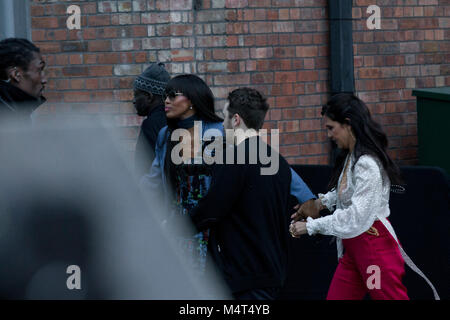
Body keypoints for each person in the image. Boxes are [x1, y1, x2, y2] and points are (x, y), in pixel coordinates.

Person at [290, 93, 440, 300]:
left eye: (331, 128)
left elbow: (355, 217)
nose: (329, 135)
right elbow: (348, 192)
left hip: (372, 251)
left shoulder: (366, 163)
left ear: (348, 124)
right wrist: (319, 204)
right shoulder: (355, 156)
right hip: (357, 251)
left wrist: (311, 226)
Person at [188, 88, 315, 300]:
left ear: (236, 119)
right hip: (272, 271)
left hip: (244, 274)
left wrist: (177, 226)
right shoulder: (278, 162)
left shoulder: (232, 158)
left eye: (225, 117)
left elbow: (212, 210)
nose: (222, 124)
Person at [140, 74, 224, 278]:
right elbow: (152, 180)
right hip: (176, 226)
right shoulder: (166, 135)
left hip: (212, 228)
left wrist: (306, 197)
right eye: (164, 96)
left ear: (192, 100)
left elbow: (261, 162)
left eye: (172, 95)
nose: (166, 101)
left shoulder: (218, 133)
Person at [133, 62, 170, 179]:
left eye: (136, 95)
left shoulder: (150, 124)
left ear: (149, 97)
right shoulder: (174, 118)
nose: (134, 101)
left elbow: (143, 168)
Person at [0, 38, 47, 122]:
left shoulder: (14, 109)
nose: (44, 80)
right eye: (39, 70)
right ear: (16, 74)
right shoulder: (6, 117)